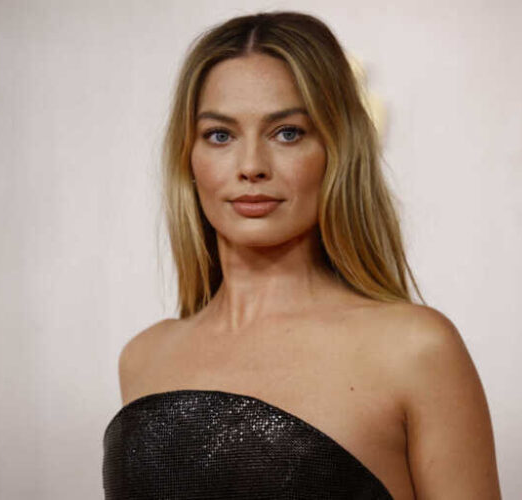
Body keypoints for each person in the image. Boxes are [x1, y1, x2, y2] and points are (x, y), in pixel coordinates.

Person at [103, 10, 501, 500]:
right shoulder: (145, 358)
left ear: (337, 150)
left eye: (287, 132)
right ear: (189, 157)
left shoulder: (416, 350)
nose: (251, 166)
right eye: (220, 135)